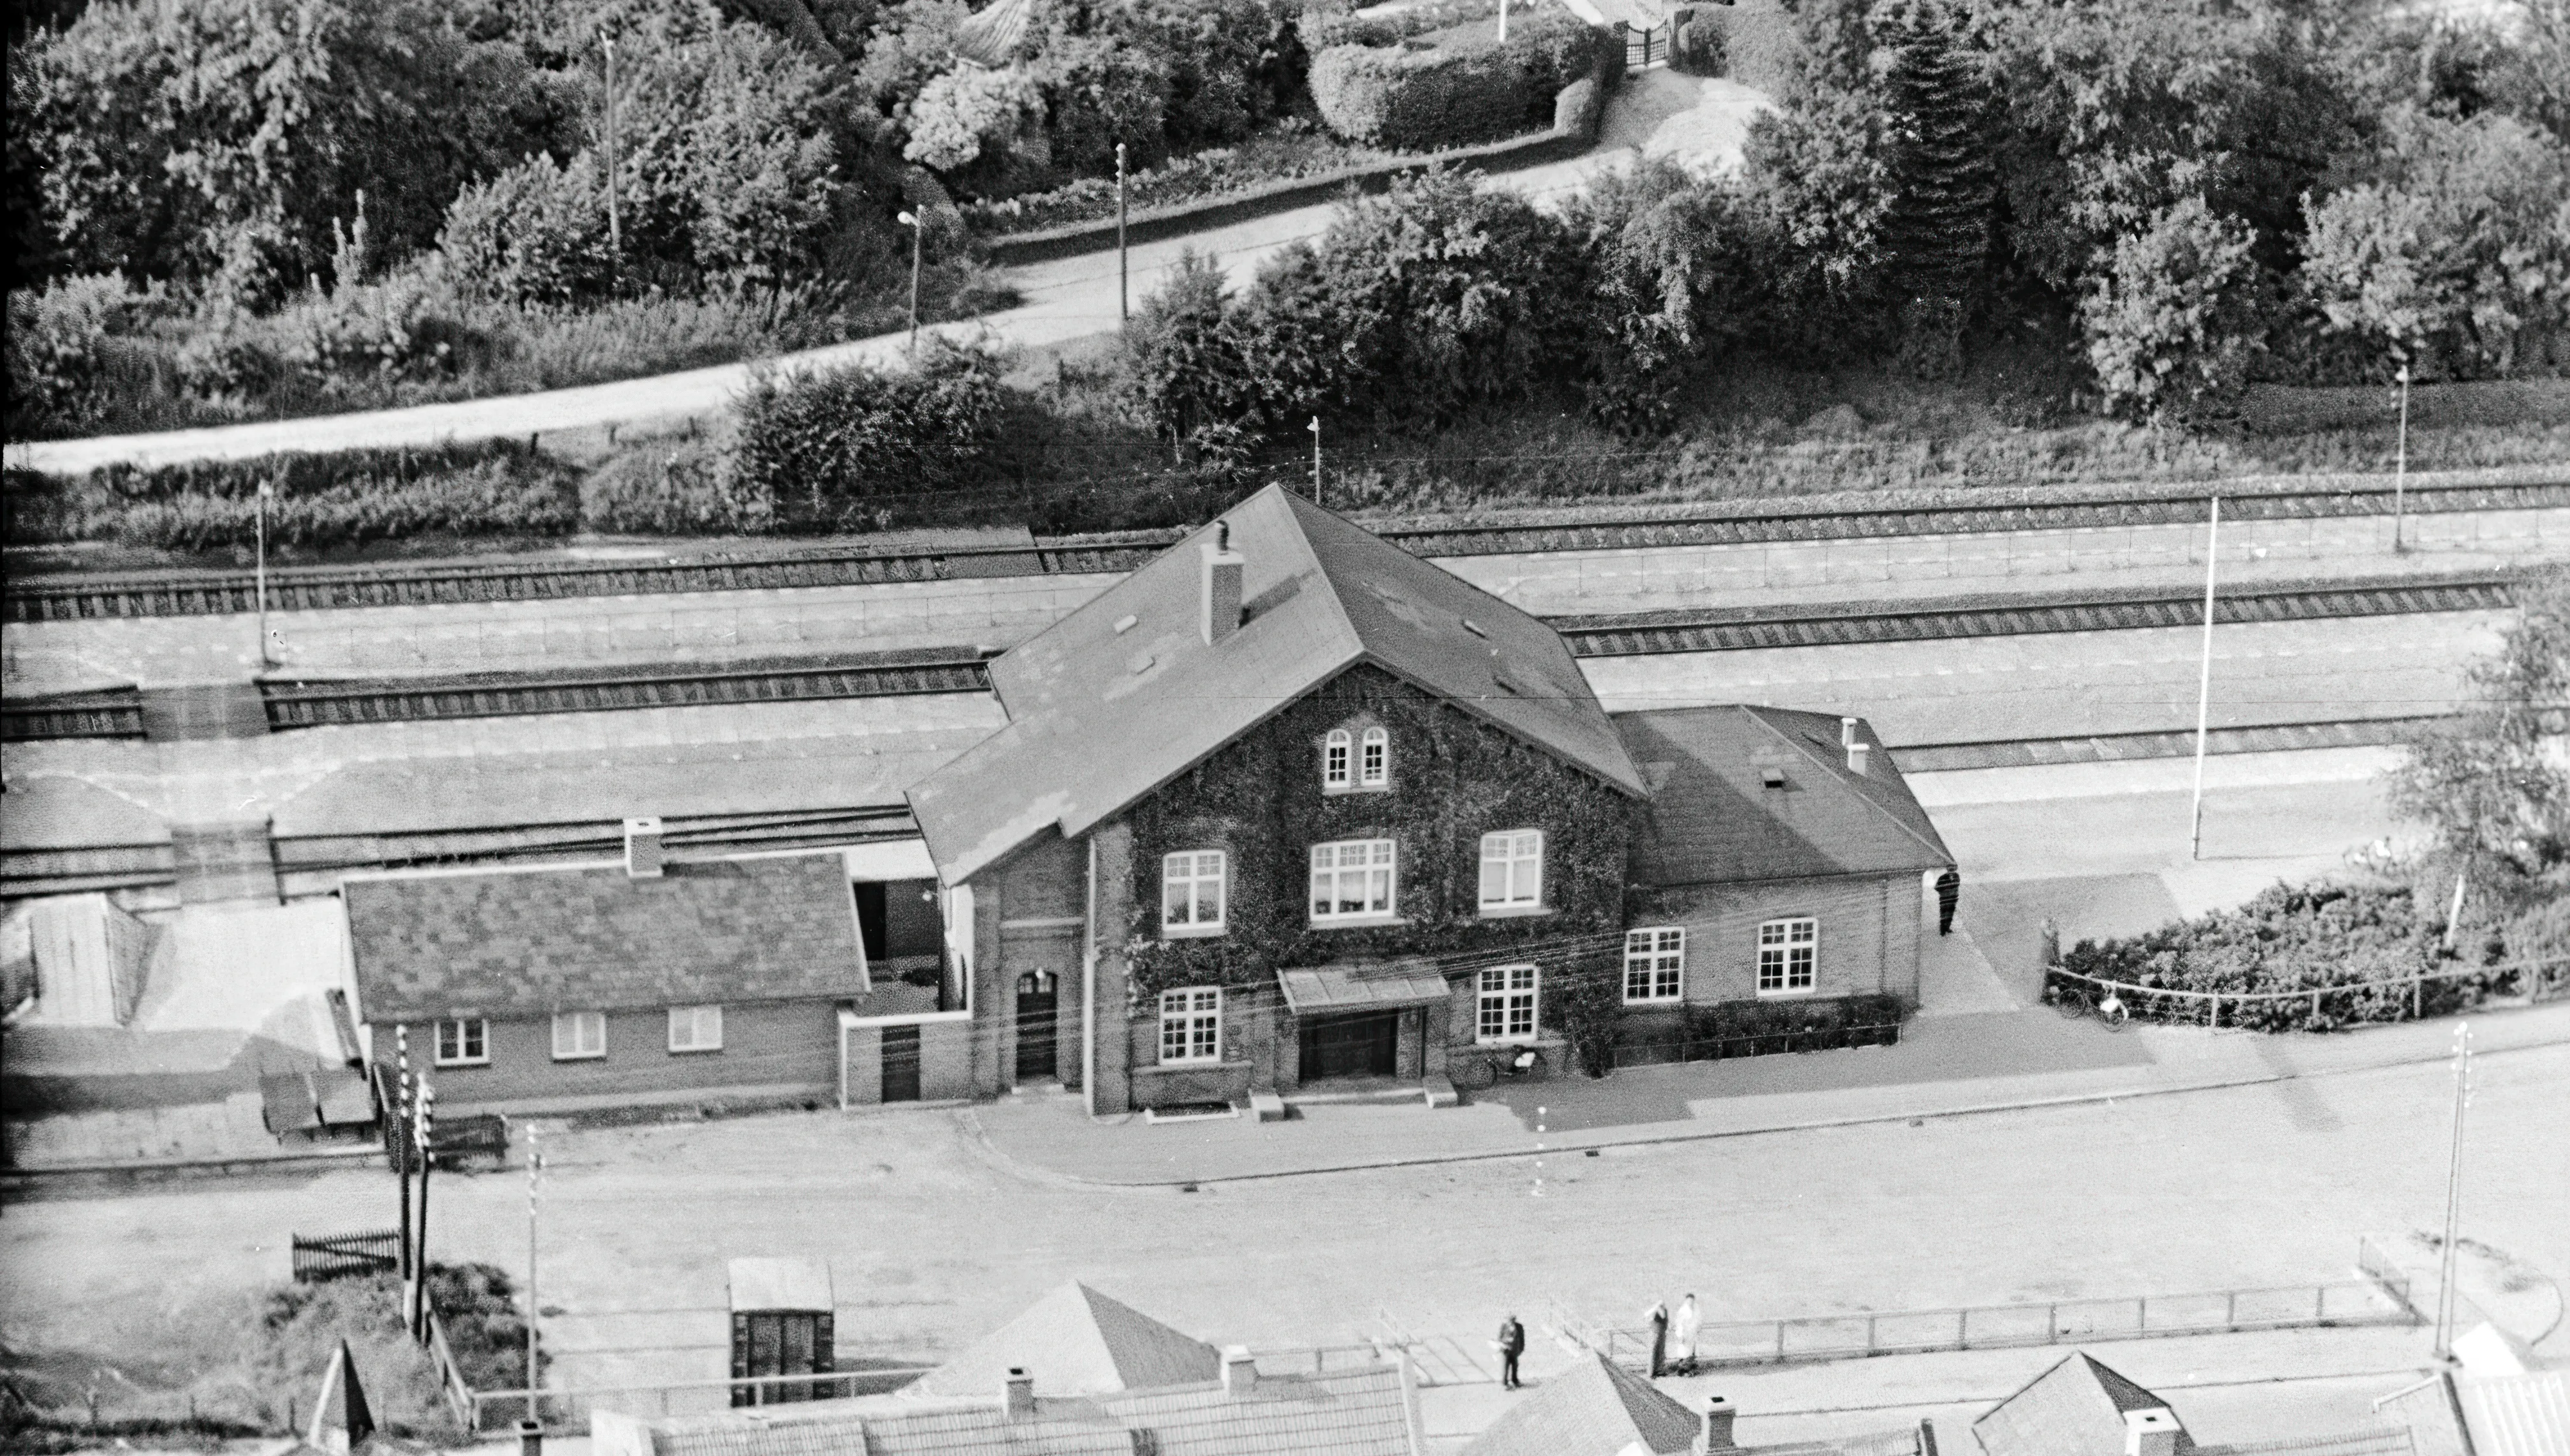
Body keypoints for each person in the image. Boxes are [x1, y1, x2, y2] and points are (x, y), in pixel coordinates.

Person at [1671, 1294, 1700, 1376]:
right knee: (1685, 1352)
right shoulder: (1683, 1311)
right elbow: (1679, 1324)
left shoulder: (1695, 1310)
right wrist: (1680, 1335)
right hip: (1685, 1335)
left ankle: (1689, 1369)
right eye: (1689, 1300)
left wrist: (1697, 1330)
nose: (1690, 1302)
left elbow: (1698, 1321)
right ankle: (1683, 1370)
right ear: (1686, 1301)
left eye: (1692, 1300)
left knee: (1691, 1352)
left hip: (1692, 1335)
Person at [1495, 1314, 1526, 1390]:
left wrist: (1521, 1349)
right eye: (1510, 1320)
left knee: (1515, 1366)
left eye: (1513, 1320)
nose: (1511, 1322)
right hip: (1506, 1350)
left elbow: (1522, 1338)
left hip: (1515, 1350)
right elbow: (1500, 1337)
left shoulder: (1519, 1327)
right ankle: (1505, 1382)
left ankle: (1515, 1381)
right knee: (1506, 1367)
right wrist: (1504, 1343)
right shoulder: (1504, 1326)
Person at [1642, 1297, 1669, 1378]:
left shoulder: (1663, 1310)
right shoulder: (1655, 1310)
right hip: (1655, 1334)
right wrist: (1656, 1308)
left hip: (1662, 1333)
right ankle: (1651, 1372)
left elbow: (1664, 1318)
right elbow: (1647, 1316)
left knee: (1661, 1352)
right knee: (1654, 1352)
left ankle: (1659, 1370)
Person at [1936, 868, 1961, 936]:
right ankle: (1942, 930)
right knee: (1944, 915)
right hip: (1944, 899)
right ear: (1948, 870)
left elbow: (1957, 884)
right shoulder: (1942, 878)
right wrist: (1945, 891)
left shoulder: (1957, 876)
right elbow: (1937, 887)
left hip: (1953, 899)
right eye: (1950, 870)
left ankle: (1947, 928)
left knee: (1950, 914)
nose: (1952, 872)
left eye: (1953, 870)